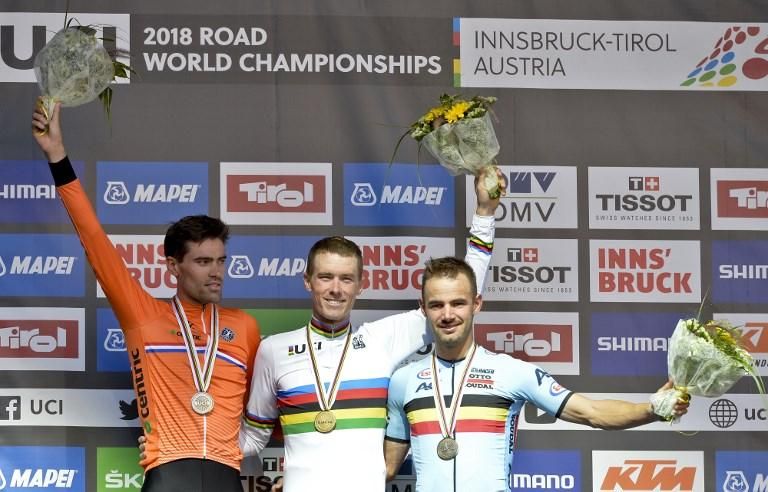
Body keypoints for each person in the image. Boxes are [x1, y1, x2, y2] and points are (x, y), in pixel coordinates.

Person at [32, 101, 261, 492]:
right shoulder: (143, 315)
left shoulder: (244, 326)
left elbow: (262, 410)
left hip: (227, 475)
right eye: (203, 261)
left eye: (221, 260)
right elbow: (94, 241)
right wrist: (58, 156)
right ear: (173, 266)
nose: (216, 271)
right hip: (168, 474)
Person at [239, 168, 505, 492]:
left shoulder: (382, 339)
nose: (335, 289)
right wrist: (188, 447)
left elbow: (463, 286)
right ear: (307, 281)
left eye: (346, 279)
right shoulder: (274, 350)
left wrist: (485, 213)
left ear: (361, 286)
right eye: (325, 277)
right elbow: (252, 439)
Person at [384, 257, 691, 492]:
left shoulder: (511, 372)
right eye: (437, 305)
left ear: (476, 304)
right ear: (423, 308)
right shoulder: (402, 381)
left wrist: (651, 409)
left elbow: (592, 412)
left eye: (458, 303)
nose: (448, 314)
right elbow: (387, 469)